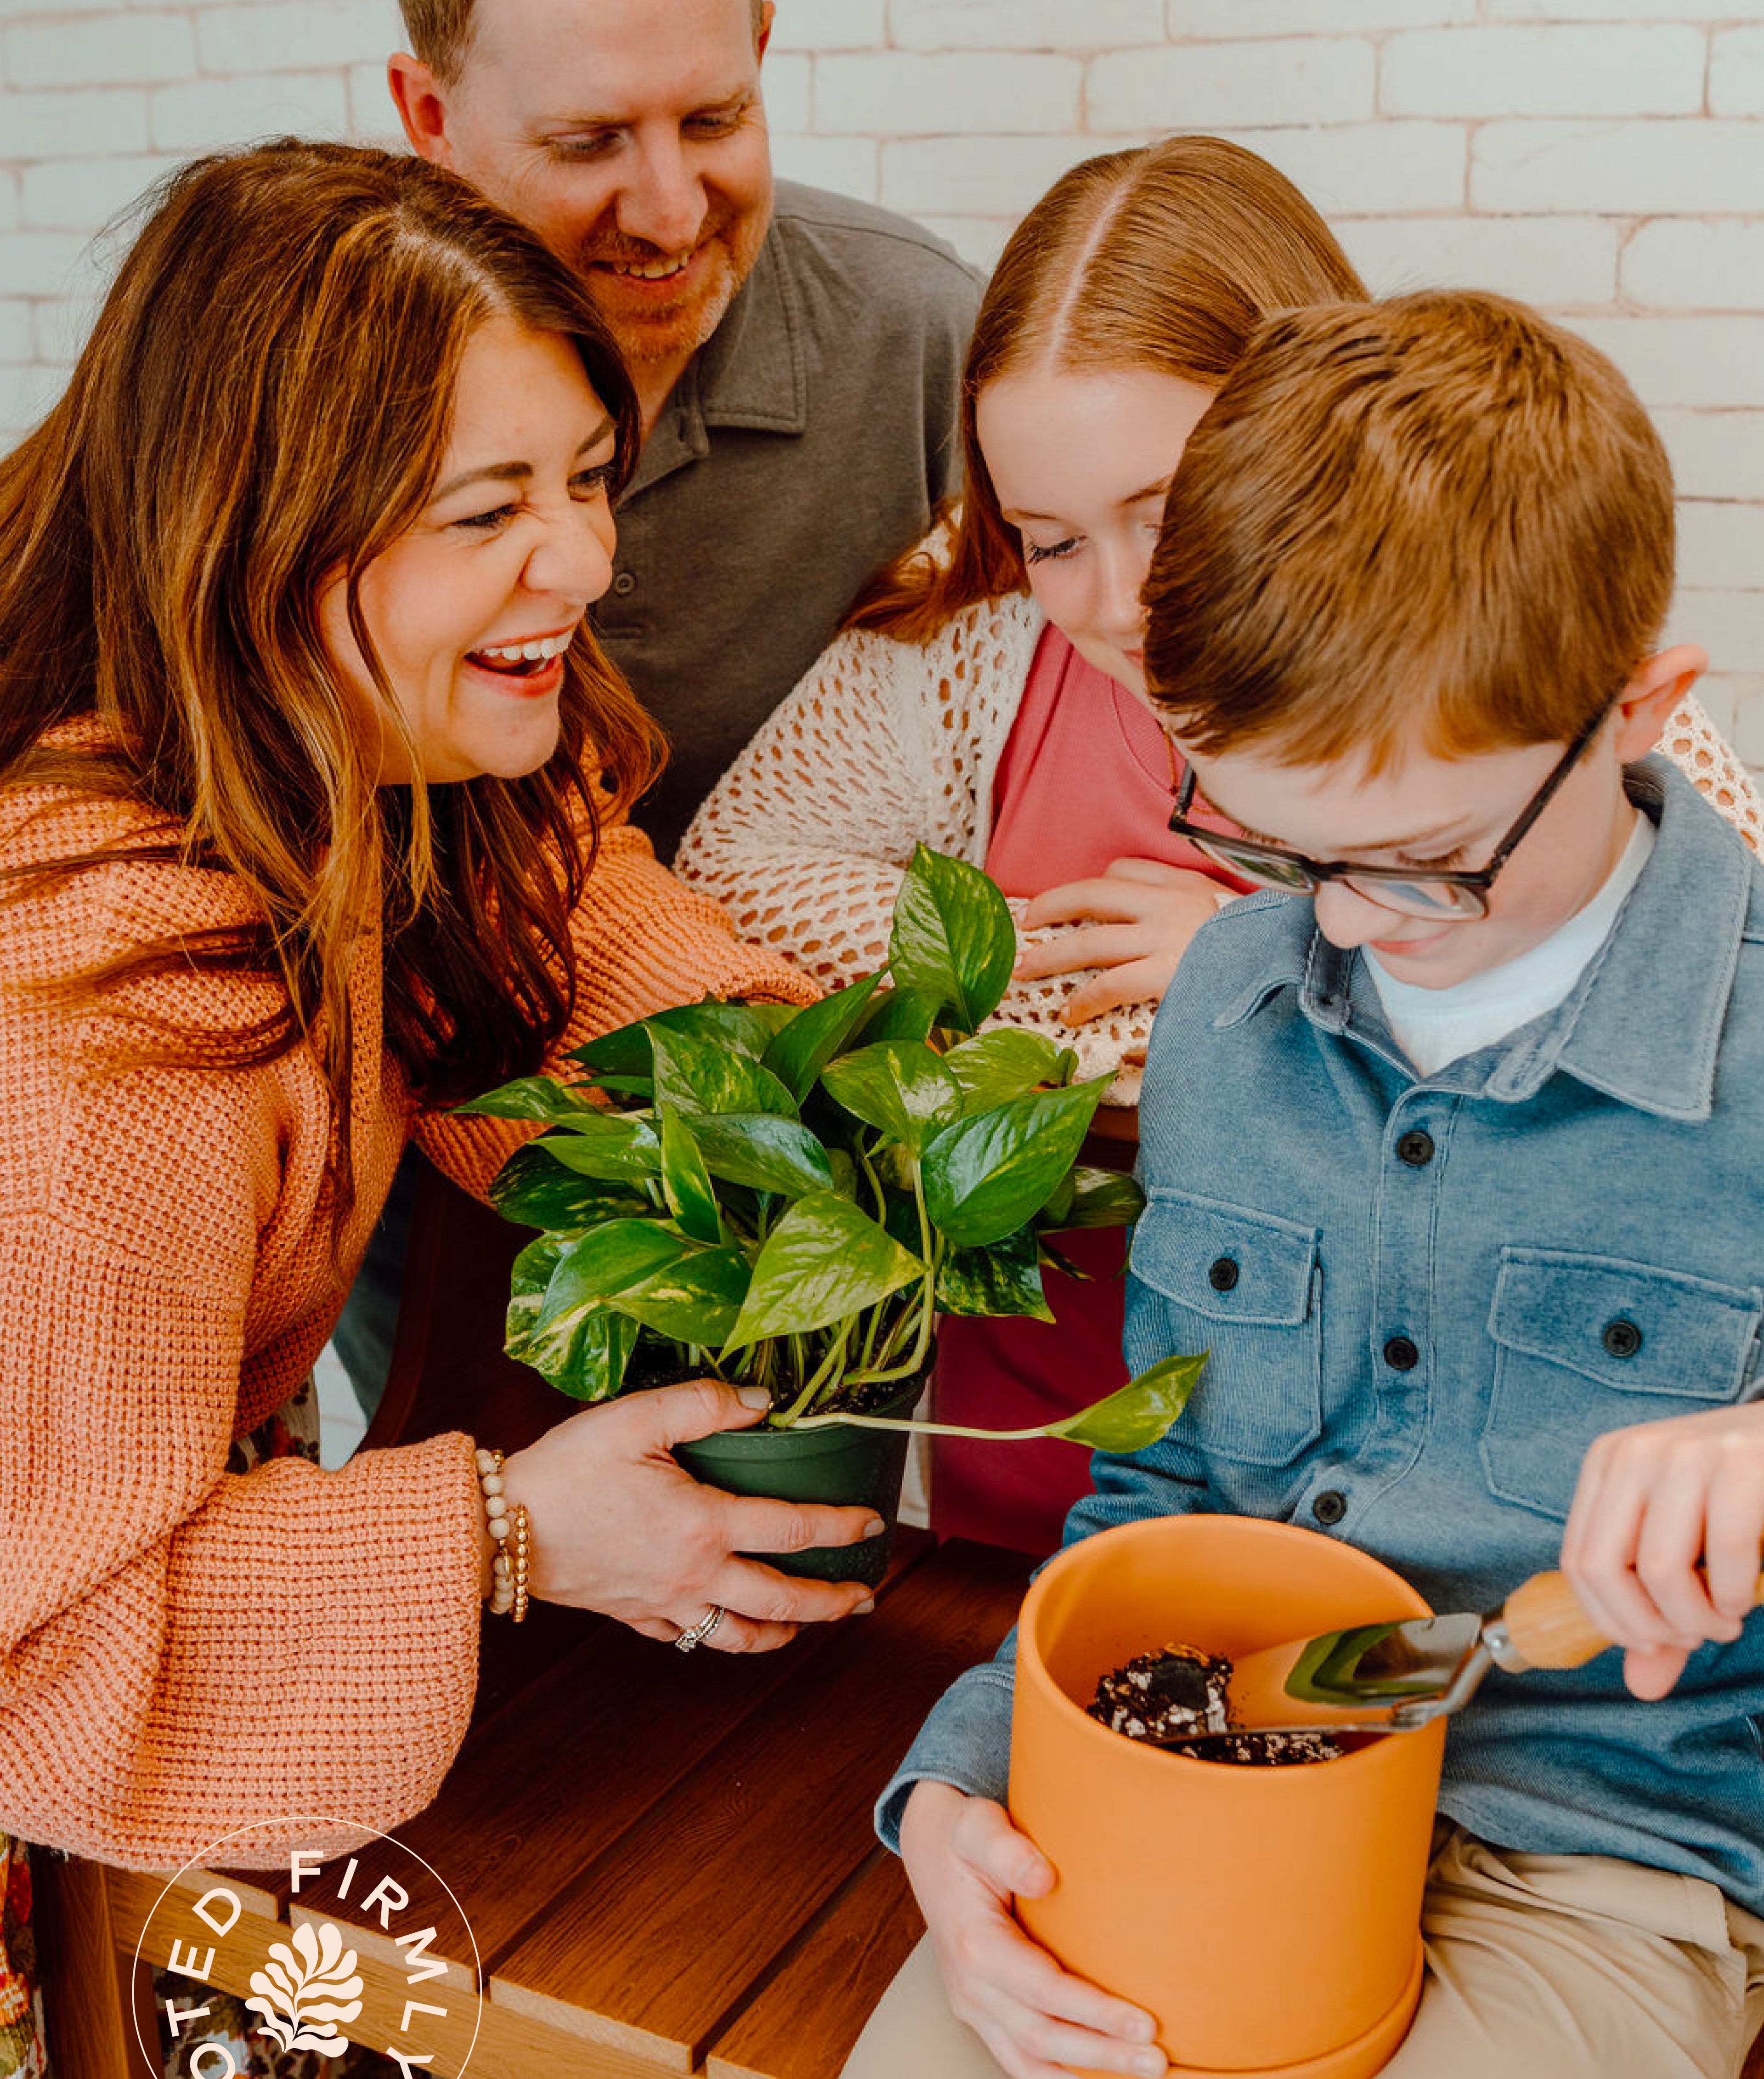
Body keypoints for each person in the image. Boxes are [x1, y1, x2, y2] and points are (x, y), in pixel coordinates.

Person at [0, 141, 884, 2073]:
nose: (583, 562)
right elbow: (38, 1654)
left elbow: (582, 934)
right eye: (488, 509)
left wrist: (861, 1109)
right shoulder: (85, 1042)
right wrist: (510, 1531)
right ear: (261, 534)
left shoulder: (357, 758)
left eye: (586, 477)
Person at [848, 291, 1764, 2079]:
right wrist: (972, 1779)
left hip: (1591, 1852)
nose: (1341, 927)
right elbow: (1165, 1489)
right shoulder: (1238, 990)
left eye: (1425, 865)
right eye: (1272, 846)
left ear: (1638, 710)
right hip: (1188, 1767)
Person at [676, 137, 1764, 1556]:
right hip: (1077, 1444)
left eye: (1168, 512)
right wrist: (1128, 986)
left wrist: (1258, 955)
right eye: (1050, 537)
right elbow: (736, 871)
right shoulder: (974, 655)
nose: (1119, 601)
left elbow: (1673, 1002)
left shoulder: (1540, 706)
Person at [388, 0, 983, 859]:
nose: (671, 217)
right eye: (588, 142)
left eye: (714, 121)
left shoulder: (923, 330)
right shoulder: (314, 362)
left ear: (763, 48)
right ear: (432, 116)